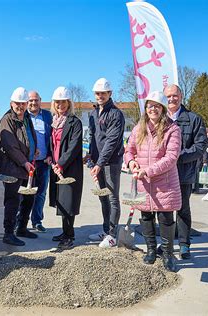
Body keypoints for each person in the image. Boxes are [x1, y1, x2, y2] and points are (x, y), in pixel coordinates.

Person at [124, 91, 181, 272]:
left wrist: (147, 171)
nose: (153, 109)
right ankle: (150, 250)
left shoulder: (172, 129)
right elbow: (129, 150)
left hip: (164, 183)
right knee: (146, 216)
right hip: (143, 182)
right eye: (150, 106)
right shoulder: (138, 128)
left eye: (156, 106)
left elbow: (171, 157)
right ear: (146, 108)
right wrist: (131, 162)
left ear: (163, 108)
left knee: (165, 219)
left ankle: (167, 253)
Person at [163, 84, 207, 259]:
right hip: (163, 173)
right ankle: (166, 244)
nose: (172, 99)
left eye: (175, 95)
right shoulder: (159, 118)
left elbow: (200, 146)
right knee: (164, 210)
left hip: (184, 173)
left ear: (181, 96)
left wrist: (178, 157)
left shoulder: (193, 119)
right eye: (168, 96)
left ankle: (183, 244)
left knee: (182, 209)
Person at [0, 87, 37, 246]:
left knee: (28, 199)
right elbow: (10, 146)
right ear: (11, 103)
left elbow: (28, 137)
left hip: (26, 166)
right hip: (13, 167)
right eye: (17, 103)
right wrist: (25, 162)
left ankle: (22, 228)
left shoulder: (26, 118)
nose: (20, 106)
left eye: (23, 103)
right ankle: (8, 233)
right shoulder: (7, 120)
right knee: (12, 200)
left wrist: (33, 149)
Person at [88, 78, 125, 247]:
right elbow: (93, 137)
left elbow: (111, 141)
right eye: (97, 93)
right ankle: (105, 230)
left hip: (111, 162)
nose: (100, 96)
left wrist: (100, 163)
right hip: (98, 162)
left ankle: (112, 235)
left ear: (110, 93)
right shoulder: (94, 113)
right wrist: (90, 156)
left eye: (103, 93)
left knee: (112, 198)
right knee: (103, 198)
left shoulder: (115, 114)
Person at [48, 87, 83, 249]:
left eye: (63, 102)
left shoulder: (74, 122)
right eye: (58, 102)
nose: (60, 105)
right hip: (56, 167)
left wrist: (61, 163)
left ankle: (70, 236)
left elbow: (74, 147)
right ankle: (64, 232)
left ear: (69, 103)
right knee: (61, 201)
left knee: (68, 202)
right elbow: (52, 144)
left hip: (69, 168)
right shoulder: (54, 121)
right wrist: (50, 157)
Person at [27, 91, 52, 233]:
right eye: (30, 100)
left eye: (36, 100)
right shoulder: (24, 115)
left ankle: (37, 221)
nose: (33, 103)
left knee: (41, 193)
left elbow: (52, 138)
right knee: (26, 193)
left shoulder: (47, 116)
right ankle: (21, 221)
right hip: (28, 162)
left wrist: (49, 154)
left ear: (40, 101)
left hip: (43, 162)